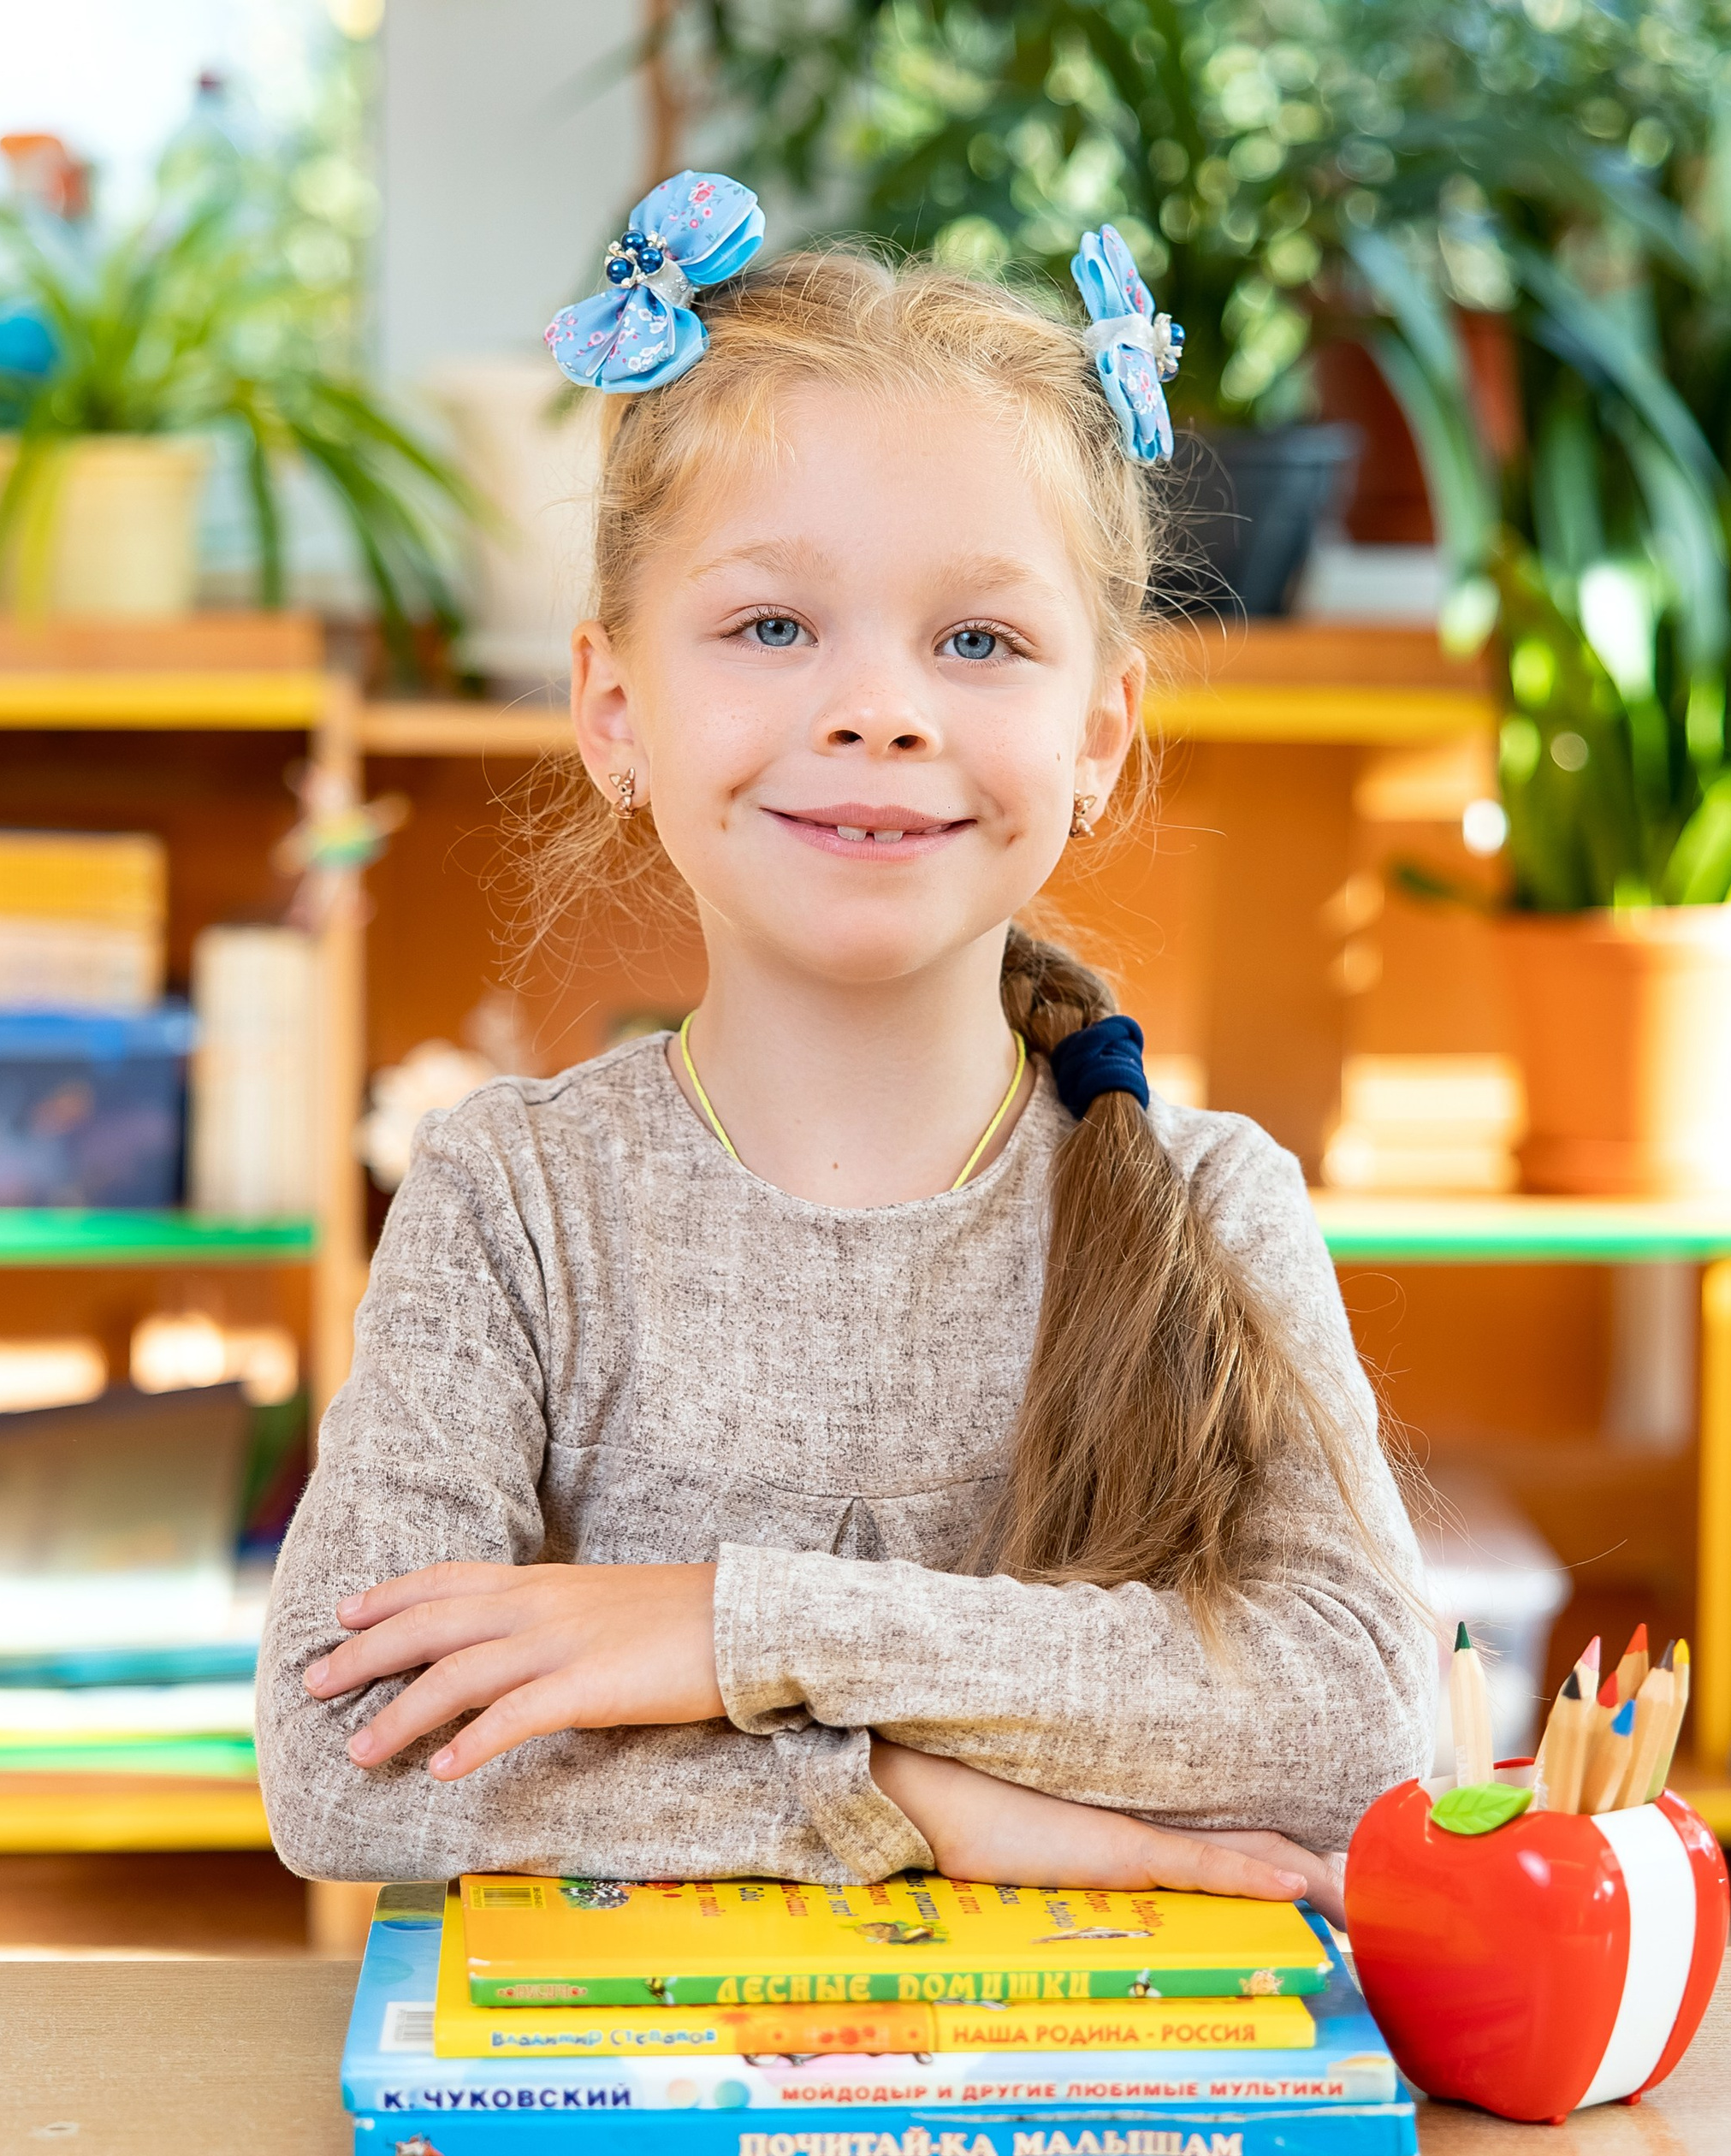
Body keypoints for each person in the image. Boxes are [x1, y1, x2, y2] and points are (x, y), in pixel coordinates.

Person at [256, 175, 1432, 1922]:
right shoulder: (513, 1197)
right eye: (771, 625)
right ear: (612, 708)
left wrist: (732, 1623)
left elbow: (1354, 1717)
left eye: (976, 640)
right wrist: (914, 1799)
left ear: (1098, 730)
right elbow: (341, 1745)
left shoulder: (1208, 1200)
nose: (878, 707)